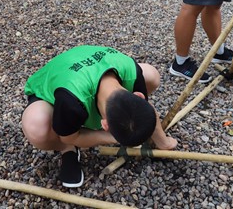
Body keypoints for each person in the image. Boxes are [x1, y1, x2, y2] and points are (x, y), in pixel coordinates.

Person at [21, 45, 177, 187]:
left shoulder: (132, 71)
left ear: (138, 95)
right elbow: (68, 137)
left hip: (84, 64)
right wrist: (114, 138)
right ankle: (68, 150)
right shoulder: (71, 102)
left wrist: (164, 143)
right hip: (53, 82)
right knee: (37, 126)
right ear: (105, 125)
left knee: (151, 74)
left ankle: (85, 125)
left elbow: (145, 108)